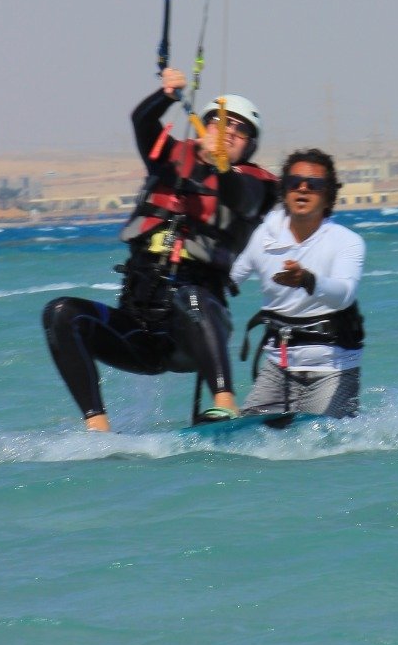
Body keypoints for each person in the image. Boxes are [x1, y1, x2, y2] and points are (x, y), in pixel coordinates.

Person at [43, 69, 276, 430]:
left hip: (193, 332)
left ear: (250, 145)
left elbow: (239, 197)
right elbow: (142, 120)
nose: (230, 131)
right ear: (204, 126)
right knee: (60, 313)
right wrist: (166, 94)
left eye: (241, 130)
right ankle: (98, 427)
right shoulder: (169, 159)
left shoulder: (256, 185)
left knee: (191, 297)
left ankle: (225, 402)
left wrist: (221, 167)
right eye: (222, 123)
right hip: (139, 331)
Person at [231, 149, 365, 418]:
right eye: (294, 183)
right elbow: (229, 281)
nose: (303, 189)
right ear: (284, 191)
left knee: (320, 440)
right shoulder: (264, 237)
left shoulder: (346, 241)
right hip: (278, 365)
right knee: (251, 436)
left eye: (314, 185)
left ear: (327, 196)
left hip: (332, 366)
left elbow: (344, 295)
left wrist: (307, 280)